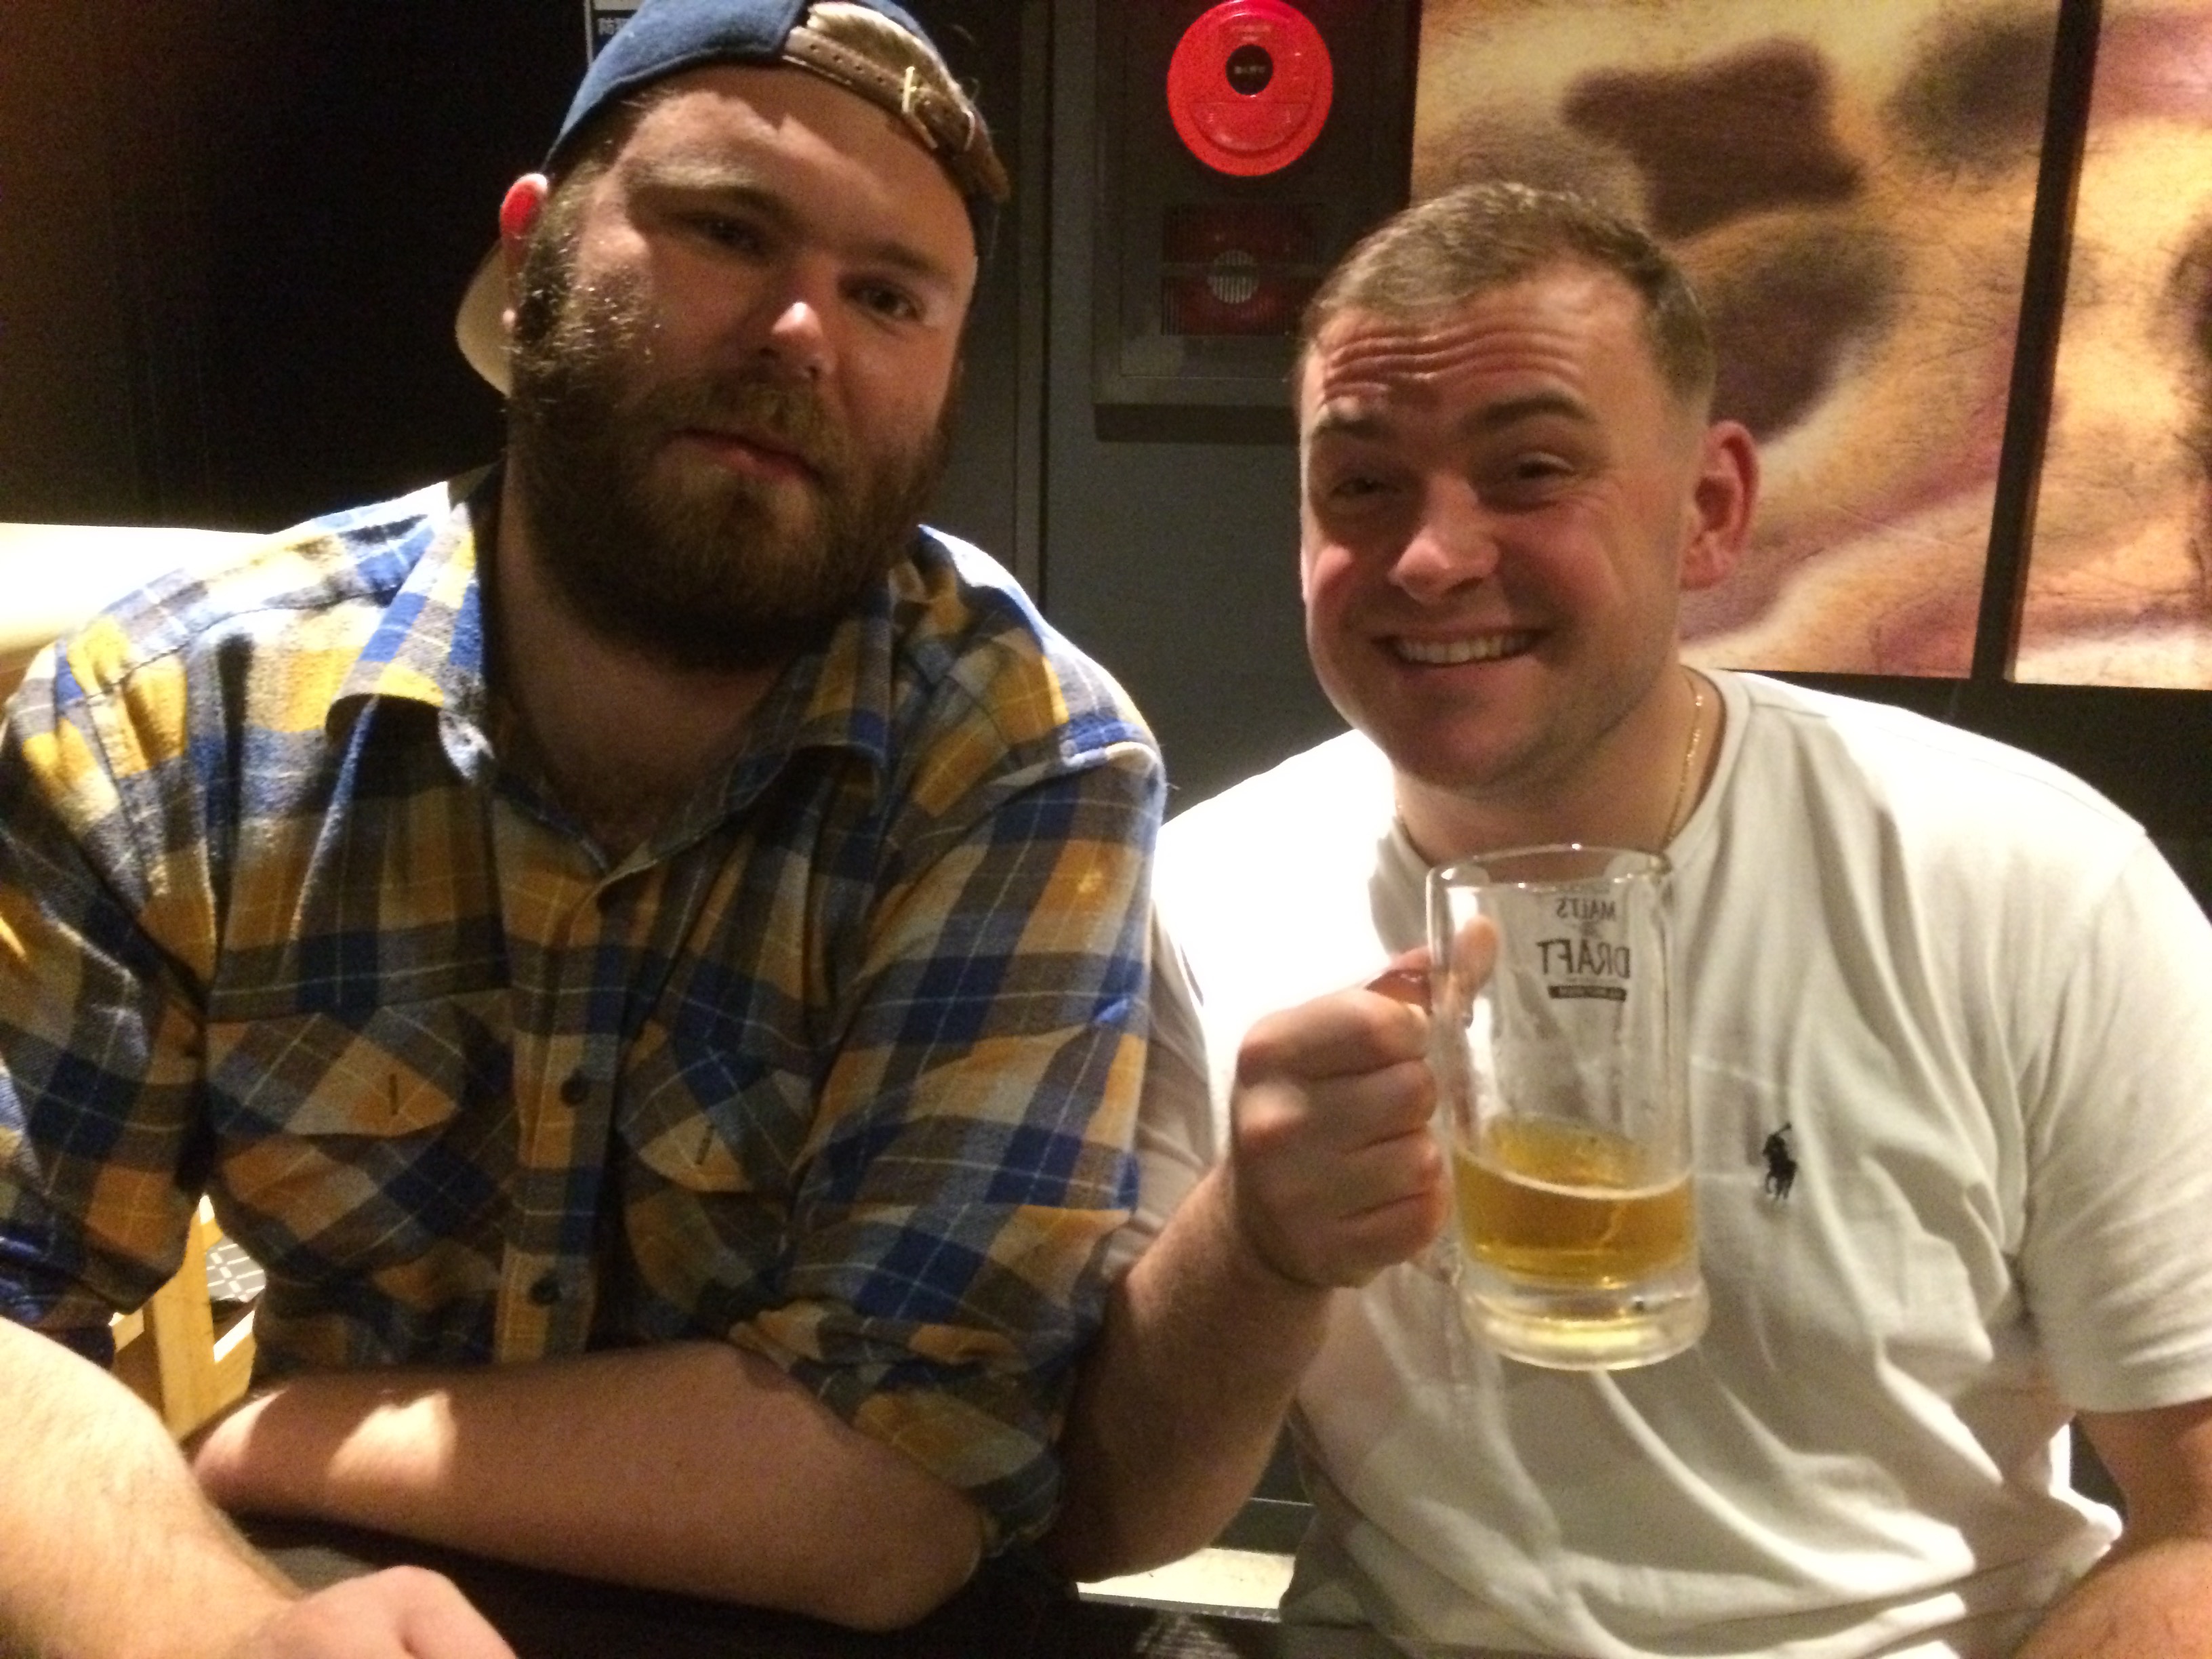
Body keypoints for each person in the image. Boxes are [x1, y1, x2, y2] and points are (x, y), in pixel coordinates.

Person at [0, 3, 1163, 1654]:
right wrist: (230, 1628)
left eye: (889, 296)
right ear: (531, 252)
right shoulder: (169, 717)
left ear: (948, 377)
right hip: (340, 1590)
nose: (801, 333)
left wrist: (289, 1432)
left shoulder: (1022, 763)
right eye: (727, 231)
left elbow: (895, 1487)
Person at [1040, 182, 2212, 1657]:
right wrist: (1258, 1250)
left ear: (1710, 509)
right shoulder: (1205, 896)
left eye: (1530, 471)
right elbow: (1119, 1524)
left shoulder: (2029, 879)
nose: (1429, 557)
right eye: (1361, 485)